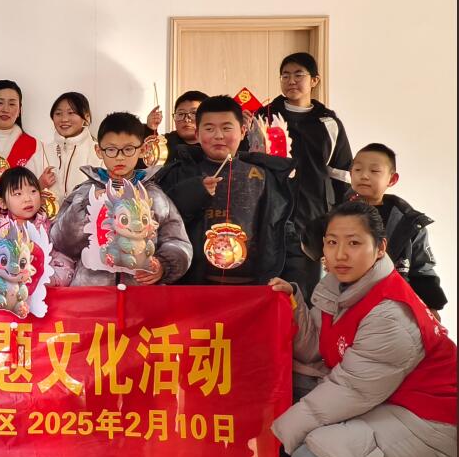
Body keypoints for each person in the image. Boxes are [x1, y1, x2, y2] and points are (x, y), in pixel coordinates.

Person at [270, 202, 457, 457]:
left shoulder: (390, 313)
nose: (340, 254)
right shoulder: (338, 287)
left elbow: (349, 391)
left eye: (354, 243)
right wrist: (293, 306)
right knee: (305, 420)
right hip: (389, 404)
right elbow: (319, 350)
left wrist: (284, 447)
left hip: (434, 421)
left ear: (380, 247)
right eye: (332, 242)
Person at [154, 95, 294, 285]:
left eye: (227, 128)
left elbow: (281, 230)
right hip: (193, 285)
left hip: (252, 287)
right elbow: (161, 225)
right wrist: (193, 192)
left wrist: (291, 280)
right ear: (197, 134)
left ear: (243, 131)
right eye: (209, 129)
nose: (218, 136)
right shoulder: (179, 174)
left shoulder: (264, 176)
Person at [51, 111, 192, 288]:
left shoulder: (153, 195)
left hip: (140, 294)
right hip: (91, 292)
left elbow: (178, 241)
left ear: (142, 150)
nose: (120, 156)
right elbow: (59, 242)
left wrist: (163, 265)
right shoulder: (85, 192)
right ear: (98, 151)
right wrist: (85, 206)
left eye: (128, 149)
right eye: (111, 149)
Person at [307, 143, 446, 315]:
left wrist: (432, 306)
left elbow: (422, 268)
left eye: (374, 171)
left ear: (392, 179)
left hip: (392, 305)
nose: (364, 176)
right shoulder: (335, 214)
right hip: (342, 303)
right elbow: (310, 244)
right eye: (357, 170)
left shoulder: (409, 222)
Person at [256, 52, 352, 298]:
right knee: (264, 291)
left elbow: (341, 175)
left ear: (314, 81)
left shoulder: (328, 123)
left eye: (299, 75)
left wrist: (339, 220)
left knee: (303, 292)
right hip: (268, 217)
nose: (291, 81)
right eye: (285, 75)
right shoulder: (264, 116)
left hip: (310, 220)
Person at [0, 166, 73, 286]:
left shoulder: (49, 228)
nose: (27, 199)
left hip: (43, 291)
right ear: (3, 203)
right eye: (17, 193)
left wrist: (52, 279)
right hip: (8, 293)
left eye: (33, 191)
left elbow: (64, 261)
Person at [0, 80, 53, 187]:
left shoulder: (35, 146)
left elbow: (45, 190)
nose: (5, 109)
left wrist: (39, 186)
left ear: (19, 110)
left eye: (12, 104)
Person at [42, 91, 96, 203]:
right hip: (47, 214)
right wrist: (39, 184)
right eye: (58, 113)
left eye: (71, 113)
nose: (64, 119)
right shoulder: (42, 150)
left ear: (86, 117)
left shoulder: (98, 152)